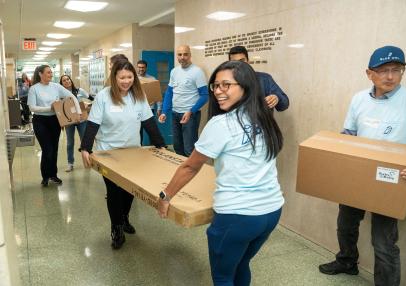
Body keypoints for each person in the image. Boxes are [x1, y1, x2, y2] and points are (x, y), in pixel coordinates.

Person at [318, 46, 406, 286]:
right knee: (346, 225)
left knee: (383, 241)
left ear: (403, 72)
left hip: (391, 179)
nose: (391, 76)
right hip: (356, 175)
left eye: (397, 70)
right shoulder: (358, 99)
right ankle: (346, 261)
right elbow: (349, 134)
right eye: (383, 70)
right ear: (369, 73)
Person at [157, 60, 284, 285]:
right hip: (271, 211)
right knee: (241, 264)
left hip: (238, 217)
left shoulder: (221, 124)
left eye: (227, 85)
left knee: (224, 276)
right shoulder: (264, 118)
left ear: (246, 86)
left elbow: (190, 166)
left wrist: (165, 197)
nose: (218, 91)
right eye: (215, 86)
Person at [80, 60, 166, 250]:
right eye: (122, 77)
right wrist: (85, 148)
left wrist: (160, 145)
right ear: (114, 77)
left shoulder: (139, 95)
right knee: (114, 191)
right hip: (107, 152)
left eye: (129, 77)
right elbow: (93, 123)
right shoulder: (103, 96)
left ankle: (124, 218)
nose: (126, 81)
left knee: (129, 189)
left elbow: (149, 122)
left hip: (133, 151)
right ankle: (116, 228)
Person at [27, 65, 81, 187]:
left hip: (55, 120)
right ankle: (45, 176)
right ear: (40, 74)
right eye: (48, 72)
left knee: (54, 149)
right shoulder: (34, 89)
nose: (51, 74)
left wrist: (78, 112)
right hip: (40, 121)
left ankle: (53, 175)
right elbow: (32, 107)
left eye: (51, 72)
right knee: (47, 149)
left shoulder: (56, 86)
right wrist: (49, 107)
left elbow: (72, 96)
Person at [158, 45, 208, 157]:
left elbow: (205, 95)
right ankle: (182, 171)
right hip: (175, 114)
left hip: (190, 116)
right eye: (180, 54)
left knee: (189, 149)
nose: (182, 57)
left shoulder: (197, 72)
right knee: (177, 147)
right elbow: (169, 92)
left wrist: (191, 111)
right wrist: (165, 111)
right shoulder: (174, 72)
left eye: (185, 54)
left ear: (190, 55)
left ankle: (194, 172)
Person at [228, 46, 289, 111]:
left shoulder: (264, 79)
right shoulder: (225, 82)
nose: (239, 65)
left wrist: (277, 98)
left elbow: (284, 105)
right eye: (235, 62)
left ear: (248, 61)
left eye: (242, 61)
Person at [59, 74, 94, 172]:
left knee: (85, 142)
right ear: (61, 84)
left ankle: (88, 160)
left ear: (71, 80)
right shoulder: (61, 94)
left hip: (82, 120)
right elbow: (59, 108)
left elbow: (92, 99)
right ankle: (70, 163)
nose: (67, 81)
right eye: (64, 81)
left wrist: (87, 106)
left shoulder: (79, 91)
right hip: (69, 122)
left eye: (68, 79)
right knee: (70, 143)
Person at [137, 59, 162, 145]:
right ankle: (138, 149)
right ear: (137, 67)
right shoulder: (134, 79)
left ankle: (155, 149)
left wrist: (159, 108)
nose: (141, 69)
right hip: (136, 109)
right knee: (137, 132)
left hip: (149, 109)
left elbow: (157, 94)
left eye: (143, 67)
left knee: (152, 132)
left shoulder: (152, 79)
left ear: (146, 68)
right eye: (139, 67)